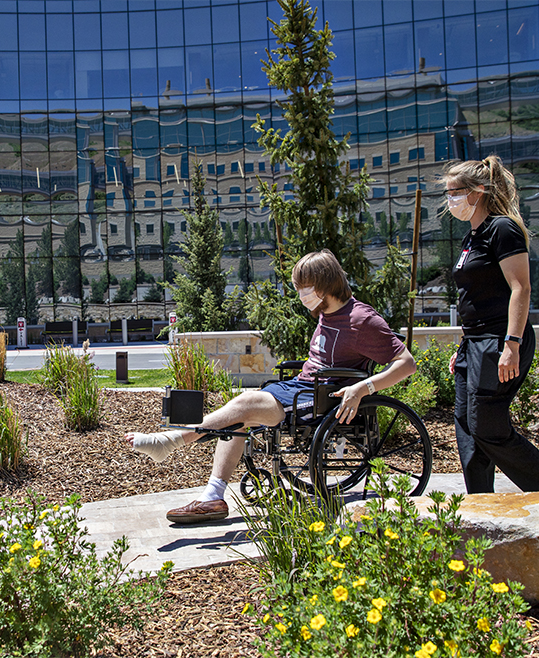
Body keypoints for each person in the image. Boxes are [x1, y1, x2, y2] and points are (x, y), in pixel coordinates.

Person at [125, 250, 417, 523]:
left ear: (326, 285)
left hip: (323, 398)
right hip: (302, 387)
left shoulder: (362, 319)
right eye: (299, 287)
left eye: (306, 287)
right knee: (236, 417)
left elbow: (406, 363)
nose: (301, 295)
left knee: (245, 404)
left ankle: (170, 441)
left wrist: (363, 388)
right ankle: (213, 498)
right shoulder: (327, 313)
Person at [443, 155, 539, 493]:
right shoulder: (472, 236)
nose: (449, 200)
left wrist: (511, 344)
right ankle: (479, 504)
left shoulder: (502, 228)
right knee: (467, 430)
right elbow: (475, 296)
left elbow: (521, 288)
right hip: (475, 344)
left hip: (500, 340)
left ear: (478, 191)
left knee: (487, 426)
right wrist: (463, 348)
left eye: (454, 192)